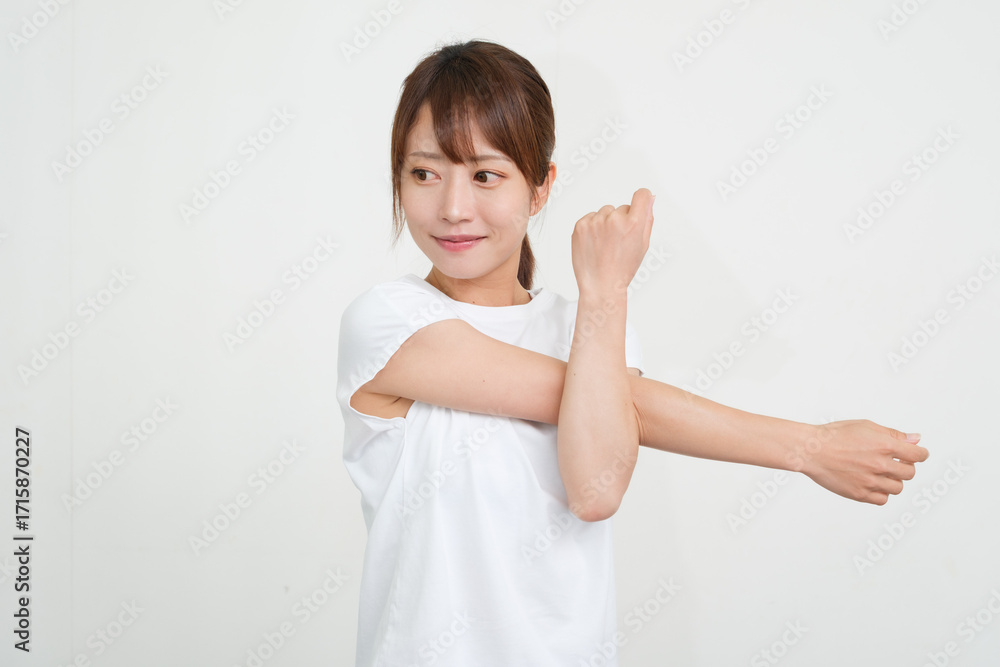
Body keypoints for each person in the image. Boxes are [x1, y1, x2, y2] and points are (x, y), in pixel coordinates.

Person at [336, 39, 929, 666]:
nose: (453, 209)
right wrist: (811, 447)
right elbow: (615, 423)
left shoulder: (588, 328)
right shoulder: (386, 321)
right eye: (424, 173)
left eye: (486, 175)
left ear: (539, 189)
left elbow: (596, 484)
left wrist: (601, 298)